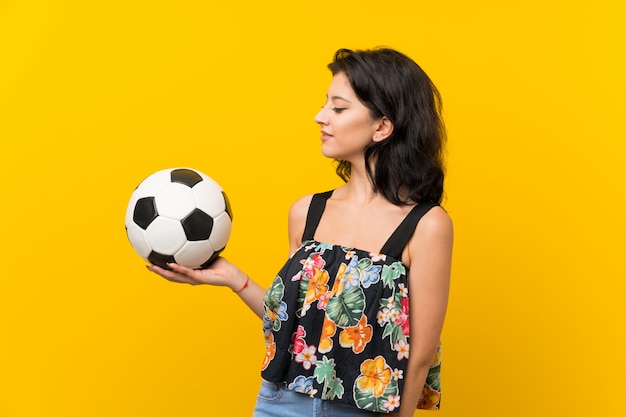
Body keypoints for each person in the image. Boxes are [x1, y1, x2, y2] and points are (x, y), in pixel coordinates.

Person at [147, 47, 453, 417]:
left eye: (338, 108)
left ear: (382, 126)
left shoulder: (426, 225)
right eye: (325, 105)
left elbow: (419, 356)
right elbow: (295, 324)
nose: (320, 116)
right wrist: (231, 278)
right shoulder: (306, 212)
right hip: (280, 402)